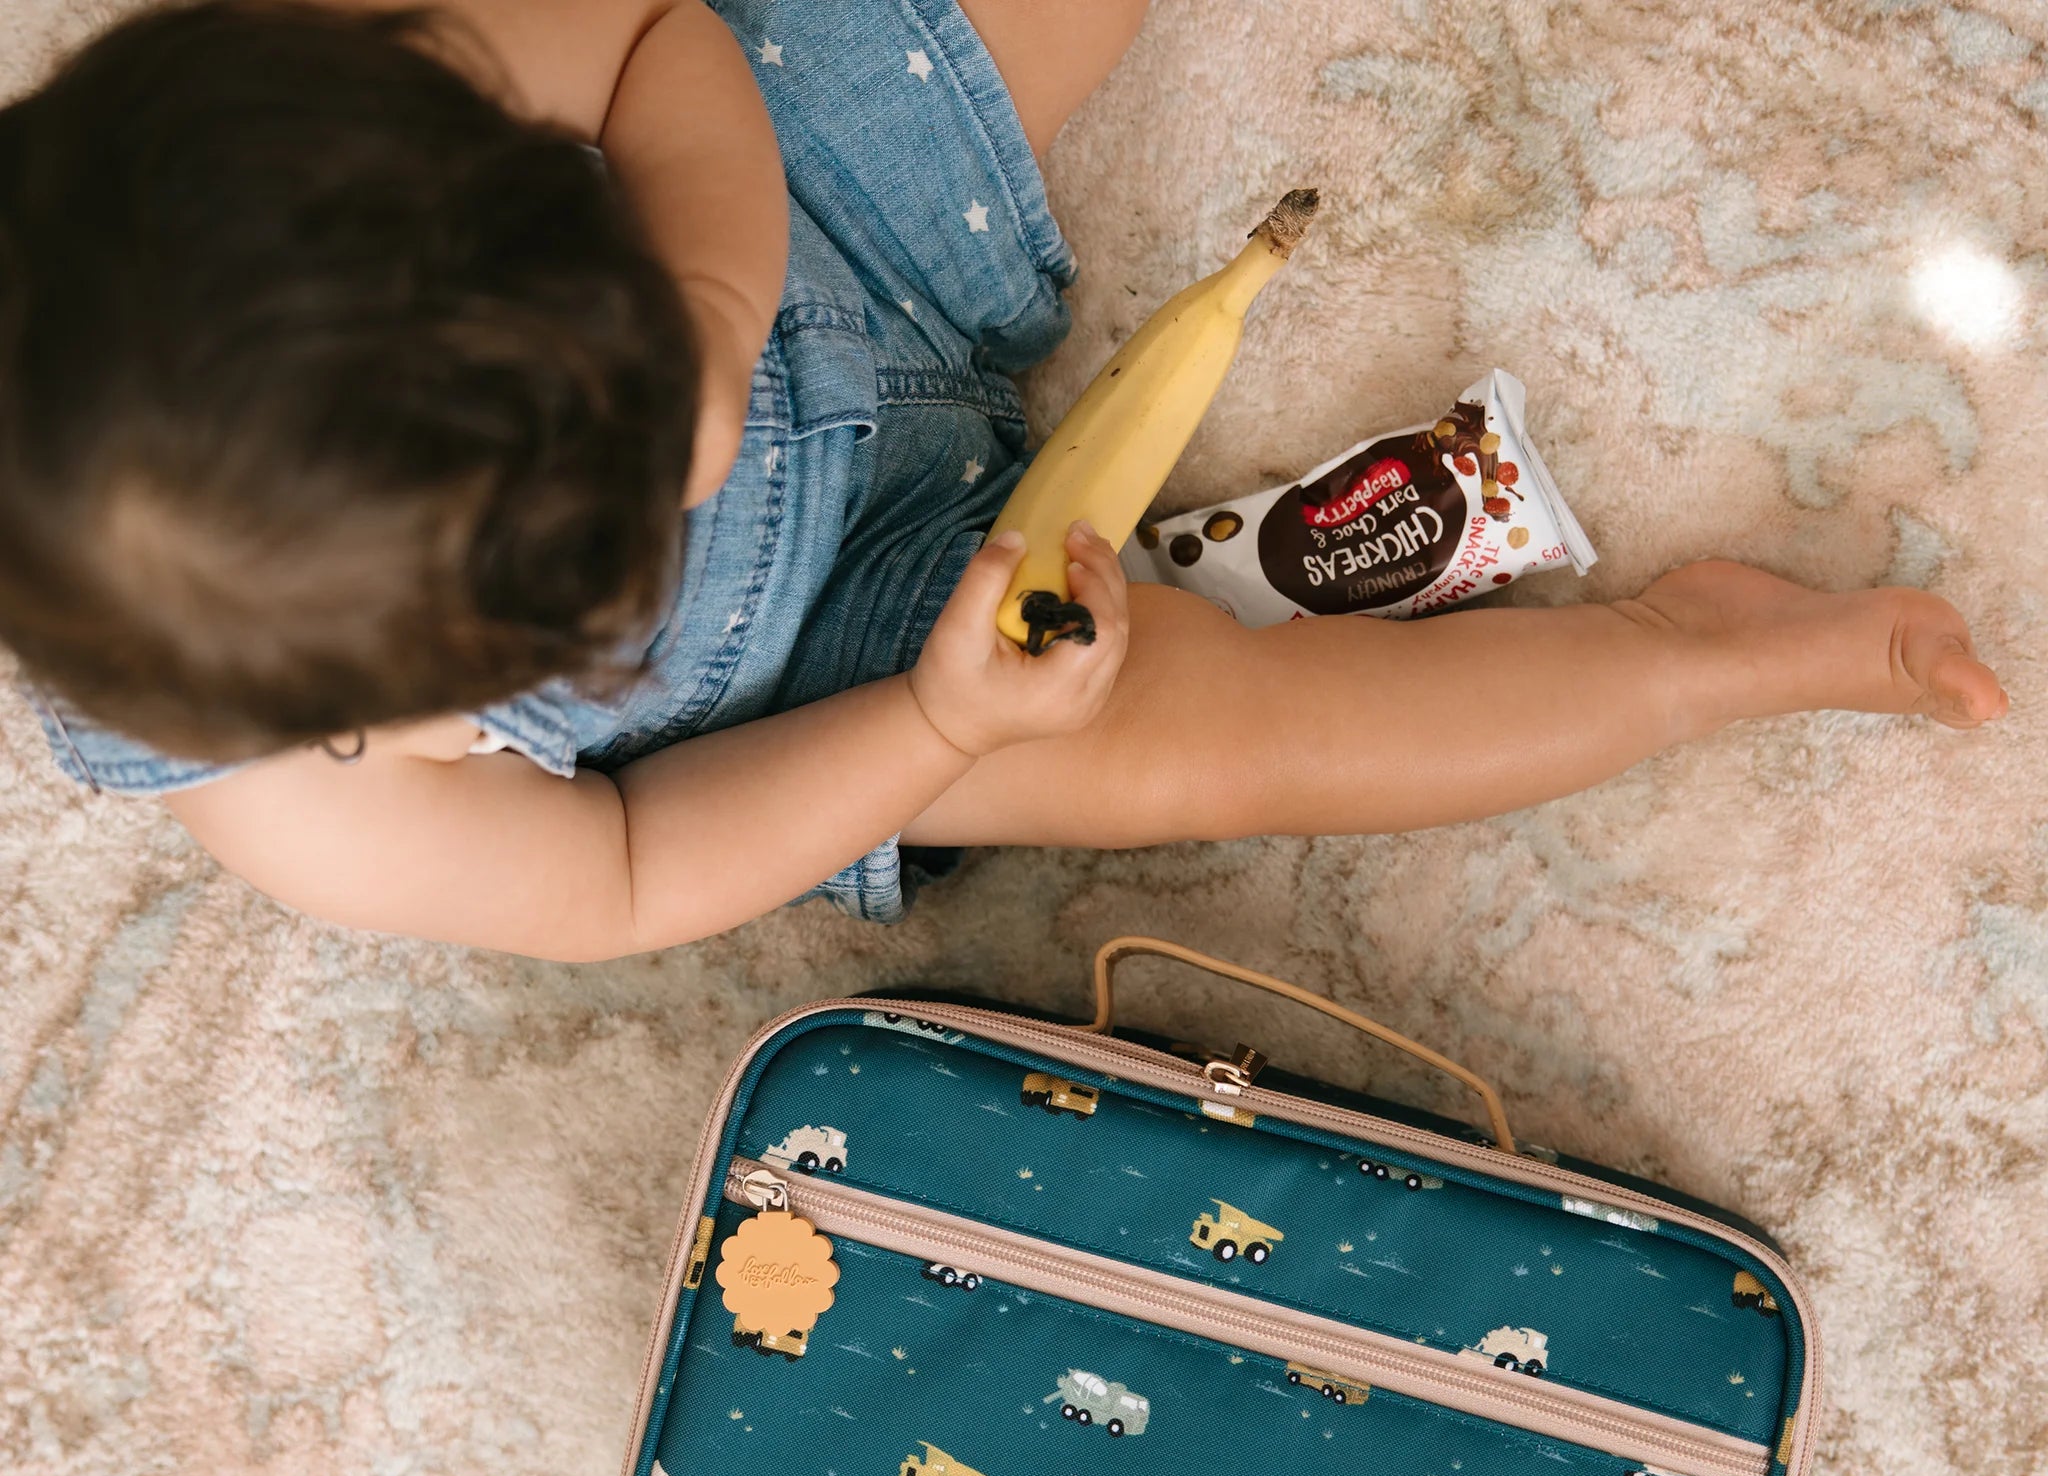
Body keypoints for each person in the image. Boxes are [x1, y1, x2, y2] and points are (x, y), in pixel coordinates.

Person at [0, 0, 2008, 961]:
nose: (659, 478)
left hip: (801, 210)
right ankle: (1692, 656)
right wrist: (930, 720)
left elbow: (650, 45)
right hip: (837, 650)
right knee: (1220, 744)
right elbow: (629, 870)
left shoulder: (386, 74)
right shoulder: (296, 795)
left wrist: (702, 303)